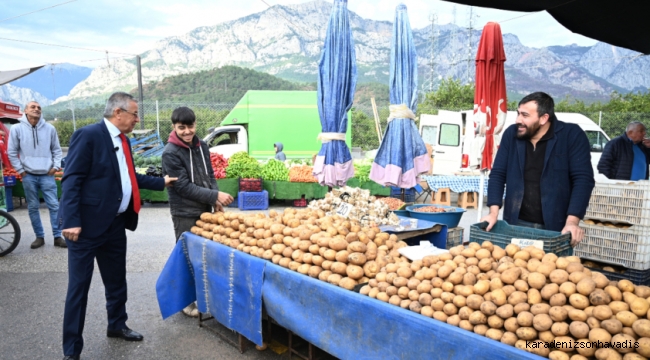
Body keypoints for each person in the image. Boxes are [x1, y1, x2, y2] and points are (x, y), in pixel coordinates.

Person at [59, 92, 177, 360]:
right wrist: (72, 220)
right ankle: (71, 351)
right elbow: (72, 180)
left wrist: (162, 182)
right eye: (135, 114)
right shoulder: (89, 135)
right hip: (85, 228)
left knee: (116, 281)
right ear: (118, 113)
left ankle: (117, 325)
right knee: (79, 289)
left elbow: (127, 176)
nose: (138, 119)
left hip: (114, 225)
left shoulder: (123, 140)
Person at [481, 92, 595, 246]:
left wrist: (572, 221)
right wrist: (493, 213)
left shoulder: (571, 135)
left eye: (525, 115)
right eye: (518, 113)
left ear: (544, 118)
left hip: (556, 226)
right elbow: (498, 175)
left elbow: (583, 180)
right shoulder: (511, 135)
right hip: (515, 223)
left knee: (552, 268)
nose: (518, 120)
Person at [161, 106, 233, 317]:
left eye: (190, 126)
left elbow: (209, 174)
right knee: (186, 255)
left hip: (204, 208)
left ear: (195, 125)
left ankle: (200, 296)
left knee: (203, 255)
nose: (186, 132)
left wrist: (215, 196)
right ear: (174, 127)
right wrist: (214, 196)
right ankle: (185, 302)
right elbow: (182, 186)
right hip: (184, 211)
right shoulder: (170, 153)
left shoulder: (201, 145)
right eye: (181, 127)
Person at [7, 101, 64, 249]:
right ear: (25, 111)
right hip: (28, 175)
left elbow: (57, 150)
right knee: (33, 207)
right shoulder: (16, 128)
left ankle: (58, 236)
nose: (36, 109)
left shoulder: (50, 128)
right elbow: (12, 152)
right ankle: (39, 237)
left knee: (54, 206)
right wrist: (21, 171)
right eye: (33, 107)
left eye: (39, 107)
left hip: (47, 174)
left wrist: (55, 167)